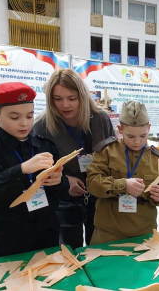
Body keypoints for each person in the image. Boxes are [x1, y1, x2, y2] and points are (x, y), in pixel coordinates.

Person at [0, 82, 69, 258]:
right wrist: (21, 170)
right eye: (15, 118)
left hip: (49, 235)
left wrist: (59, 181)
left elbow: (62, 192)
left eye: (30, 116)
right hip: (10, 240)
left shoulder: (44, 145)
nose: (24, 123)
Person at [33, 68, 115, 249]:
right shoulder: (41, 126)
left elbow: (113, 156)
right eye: (58, 99)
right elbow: (37, 168)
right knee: (69, 251)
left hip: (99, 197)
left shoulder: (100, 119)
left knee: (100, 250)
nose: (65, 105)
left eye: (72, 98)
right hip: (65, 201)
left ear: (83, 96)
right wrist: (64, 179)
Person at [86, 101, 159, 244]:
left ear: (149, 128)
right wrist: (122, 185)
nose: (137, 142)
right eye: (130, 136)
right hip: (108, 231)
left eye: (143, 136)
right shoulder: (107, 151)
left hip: (144, 231)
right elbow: (92, 182)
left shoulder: (158, 159)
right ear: (120, 129)